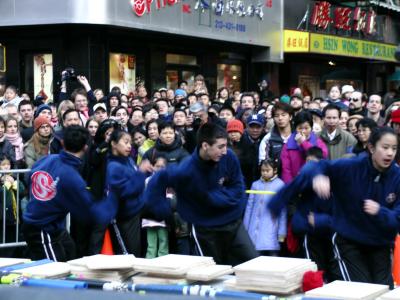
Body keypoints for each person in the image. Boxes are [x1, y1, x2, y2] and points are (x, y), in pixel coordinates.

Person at [145, 123, 258, 265]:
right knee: (216, 271)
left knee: (253, 262)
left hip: (233, 223)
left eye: (225, 145)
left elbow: (238, 188)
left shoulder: (229, 157)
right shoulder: (187, 169)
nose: (224, 151)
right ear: (205, 146)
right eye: (220, 146)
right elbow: (159, 179)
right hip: (206, 228)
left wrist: (214, 197)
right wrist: (162, 211)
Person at [305, 127, 400, 288]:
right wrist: (320, 176)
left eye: (394, 148)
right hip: (349, 240)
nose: (390, 153)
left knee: (385, 290)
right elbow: (320, 165)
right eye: (385, 147)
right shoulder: (352, 166)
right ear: (371, 148)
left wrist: (380, 211)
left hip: (380, 243)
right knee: (360, 289)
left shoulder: (397, 176)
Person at [22, 126, 119, 261]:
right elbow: (90, 210)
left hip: (50, 225)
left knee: (70, 252)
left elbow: (30, 178)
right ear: (85, 148)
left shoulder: (47, 159)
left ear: (62, 143)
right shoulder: (72, 177)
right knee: (55, 271)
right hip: (42, 228)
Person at [269, 147, 338, 282]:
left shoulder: (349, 185)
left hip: (330, 233)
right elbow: (310, 168)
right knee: (314, 271)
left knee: (332, 272)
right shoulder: (315, 171)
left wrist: (320, 220)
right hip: (309, 231)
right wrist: (317, 176)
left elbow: (345, 218)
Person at [106, 130, 153, 255]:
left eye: (130, 143)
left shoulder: (128, 160)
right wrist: (140, 173)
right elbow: (126, 191)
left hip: (136, 212)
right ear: (114, 144)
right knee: (129, 254)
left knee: (139, 251)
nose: (129, 146)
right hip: (124, 216)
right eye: (125, 142)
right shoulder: (112, 165)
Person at [243, 159, 285, 256]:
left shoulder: (280, 185)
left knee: (272, 258)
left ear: (275, 170)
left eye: (267, 170)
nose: (264, 173)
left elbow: (282, 212)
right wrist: (245, 228)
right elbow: (249, 208)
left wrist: (281, 232)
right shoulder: (255, 185)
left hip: (272, 228)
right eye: (262, 170)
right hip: (254, 229)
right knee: (254, 258)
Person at [280, 111, 328, 183]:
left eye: (306, 128)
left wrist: (304, 143)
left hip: (314, 183)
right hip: (295, 183)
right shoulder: (288, 146)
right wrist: (291, 186)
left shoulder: (318, 142)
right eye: (300, 128)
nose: (303, 131)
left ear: (311, 127)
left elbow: (323, 156)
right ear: (295, 128)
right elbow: (286, 170)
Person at [142, 156, 169, 258]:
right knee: (151, 244)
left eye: (163, 166)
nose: (160, 169)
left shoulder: (168, 181)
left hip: (162, 216)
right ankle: (149, 264)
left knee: (163, 242)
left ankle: (163, 263)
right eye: (157, 166)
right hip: (149, 216)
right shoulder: (147, 180)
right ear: (152, 167)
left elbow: (169, 198)